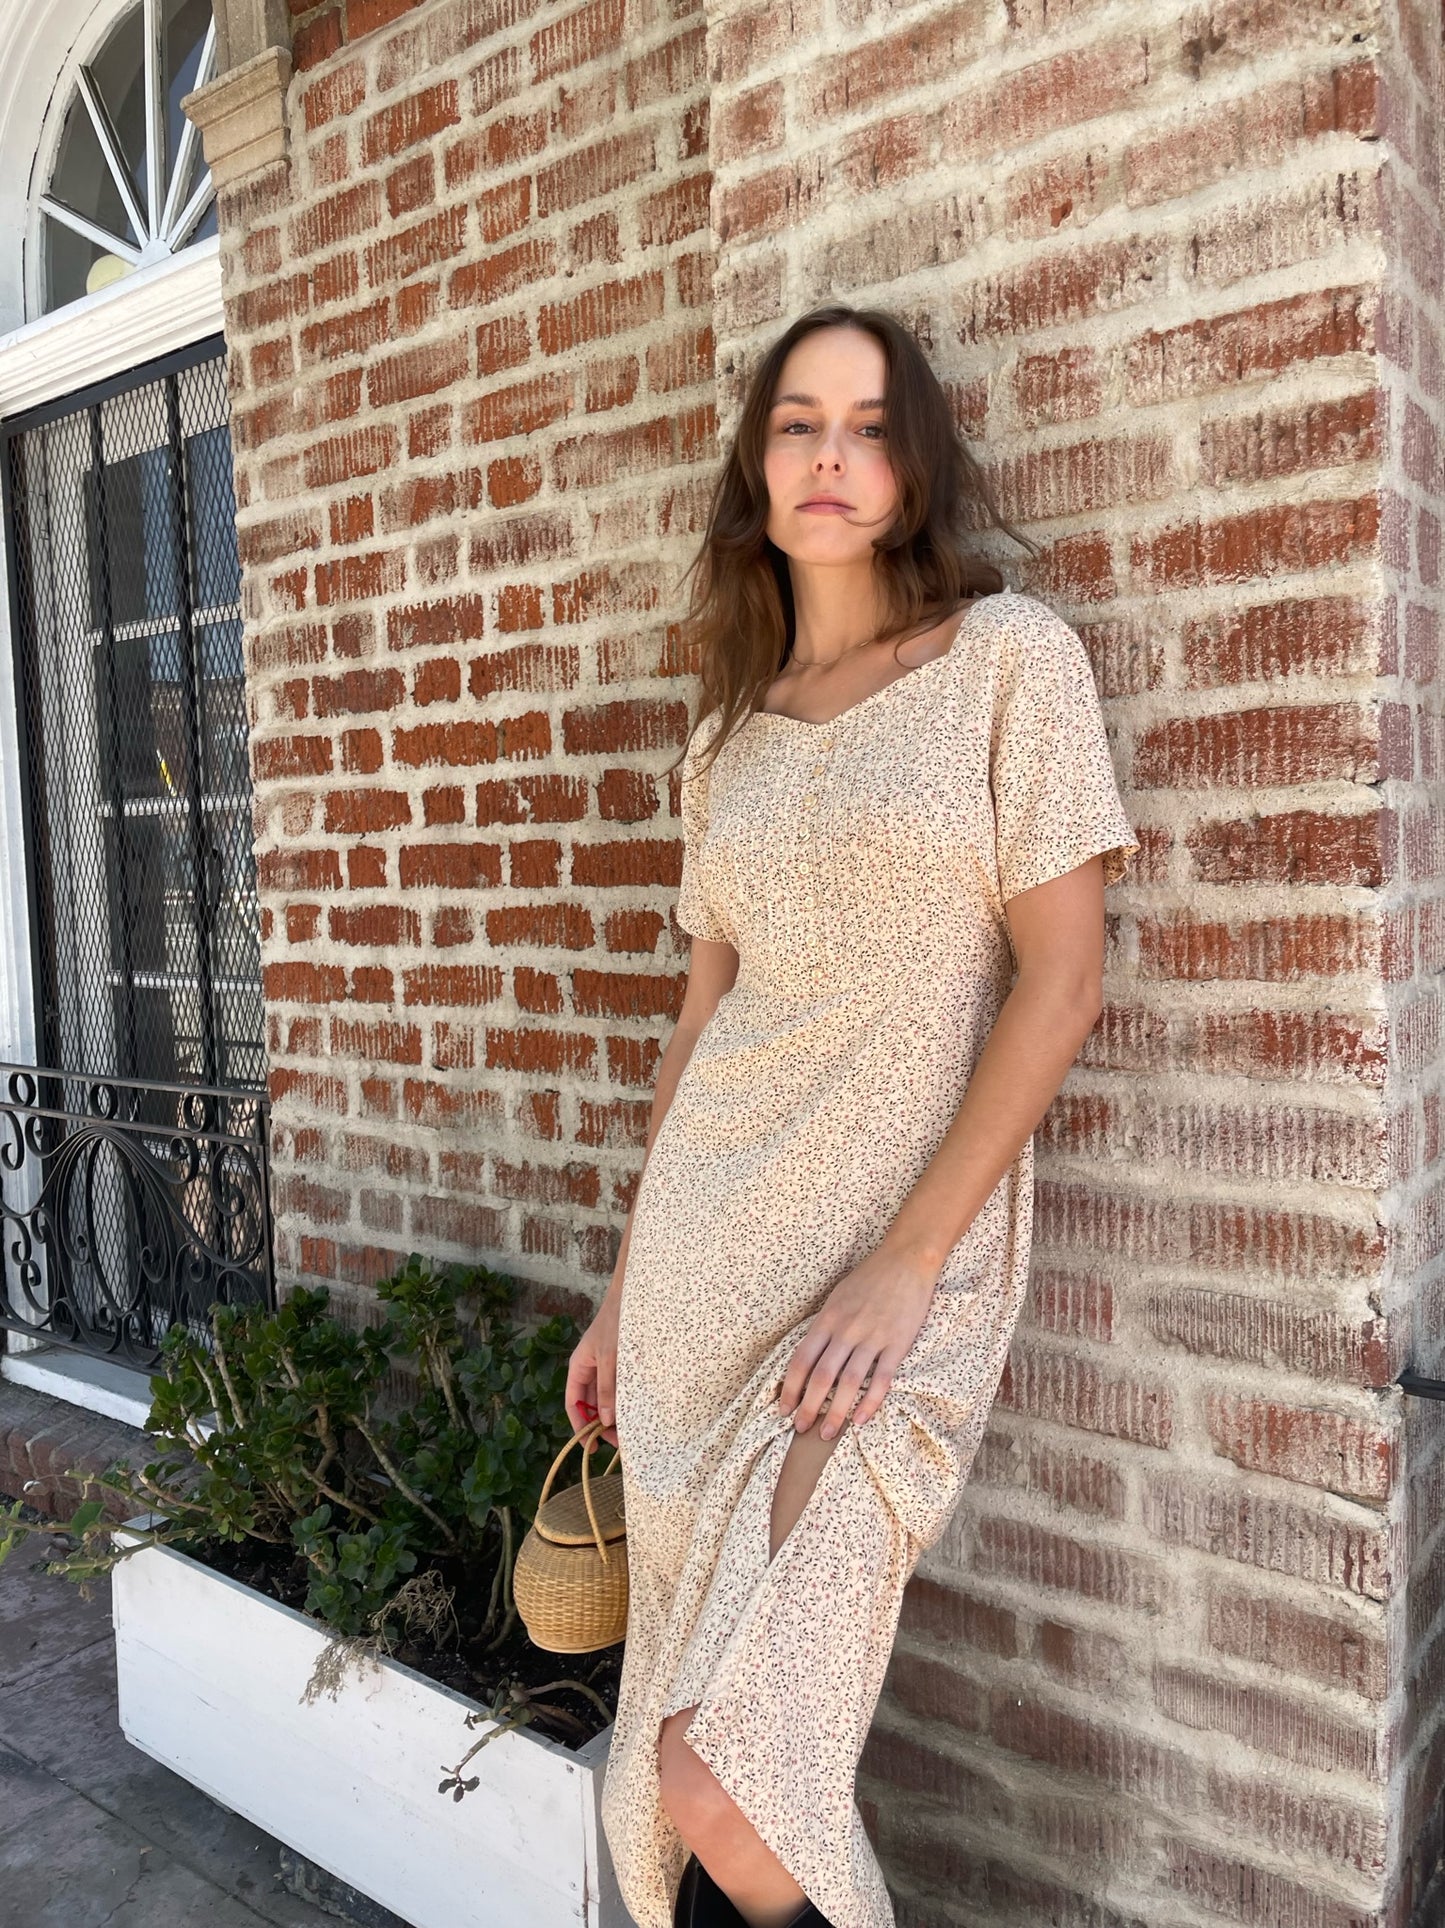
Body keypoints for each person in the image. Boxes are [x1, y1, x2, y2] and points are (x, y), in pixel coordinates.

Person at [565, 302, 1140, 1928]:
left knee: (726, 1766)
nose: (829, 454)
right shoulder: (720, 743)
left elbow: (1058, 985)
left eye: (868, 424)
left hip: (890, 1280)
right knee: (672, 1805)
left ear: (914, 463)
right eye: (797, 421)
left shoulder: (1008, 661)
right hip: (699, 1276)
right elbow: (699, 1031)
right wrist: (621, 1287)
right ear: (756, 465)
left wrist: (904, 1266)